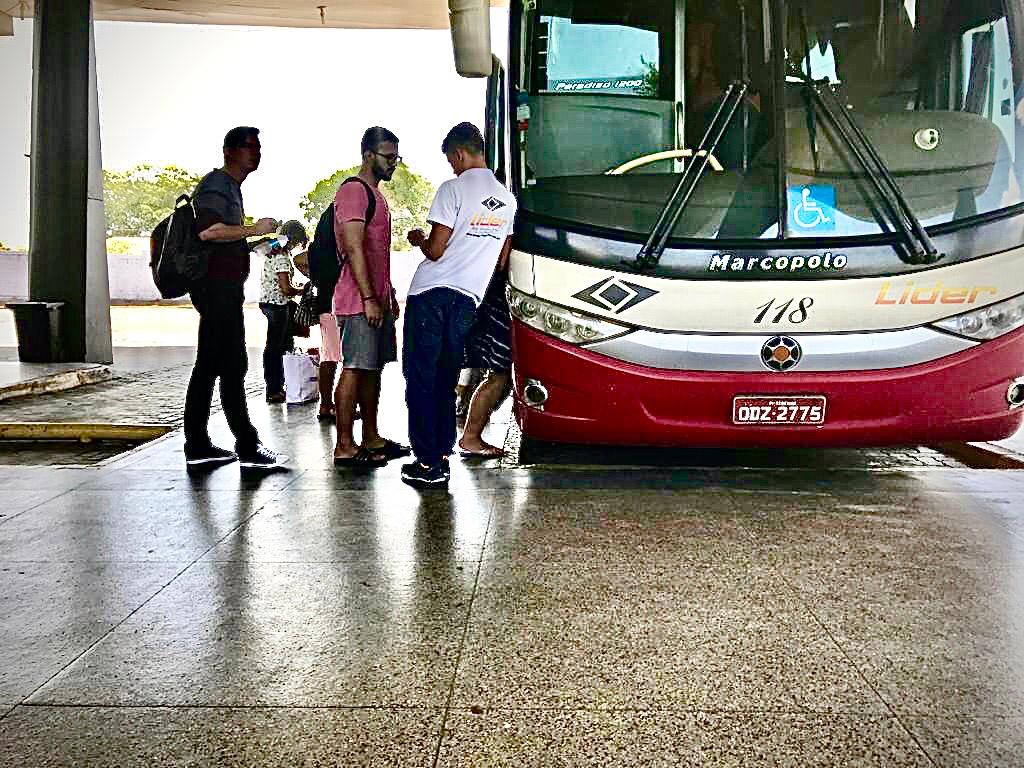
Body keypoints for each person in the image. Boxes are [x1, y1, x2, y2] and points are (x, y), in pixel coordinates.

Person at [402, 122, 517, 488]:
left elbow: (436, 250)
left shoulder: (452, 189)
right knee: (446, 376)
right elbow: (501, 261)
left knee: (421, 378)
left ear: (459, 153)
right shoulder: (507, 200)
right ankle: (442, 454)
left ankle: (426, 462)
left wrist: (419, 238)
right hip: (469, 299)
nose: (452, 167)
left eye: (452, 160)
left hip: (431, 294)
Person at [184, 126, 287, 470]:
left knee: (213, 367)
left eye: (258, 147)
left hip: (222, 291)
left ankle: (200, 443)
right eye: (248, 147)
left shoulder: (229, 188)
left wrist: (251, 242)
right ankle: (245, 444)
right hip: (216, 291)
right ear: (228, 150)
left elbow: (223, 236)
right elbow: (208, 231)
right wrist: (255, 230)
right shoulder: (217, 185)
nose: (255, 152)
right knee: (230, 366)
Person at [332, 126, 410, 467]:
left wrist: (386, 293)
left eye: (397, 157)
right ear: (368, 155)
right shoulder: (353, 191)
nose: (394, 163)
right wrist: (367, 297)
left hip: (376, 298)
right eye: (388, 157)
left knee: (373, 368)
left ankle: (372, 437)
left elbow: (378, 253)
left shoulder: (377, 196)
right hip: (356, 299)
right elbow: (353, 246)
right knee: (354, 367)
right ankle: (345, 446)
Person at [457, 270, 513, 458]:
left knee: (500, 375)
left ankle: (471, 435)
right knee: (500, 375)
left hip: (487, 295)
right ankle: (470, 437)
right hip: (498, 298)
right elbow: (502, 264)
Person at [259, 220, 308, 403]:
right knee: (275, 348)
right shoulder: (281, 257)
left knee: (284, 345)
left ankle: (282, 386)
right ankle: (273, 389)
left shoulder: (275, 253)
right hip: (276, 305)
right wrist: (302, 290)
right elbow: (286, 289)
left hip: (272, 303)